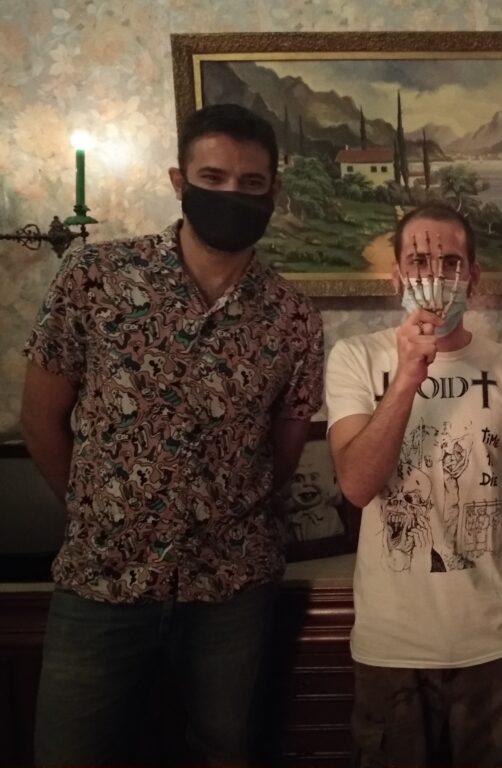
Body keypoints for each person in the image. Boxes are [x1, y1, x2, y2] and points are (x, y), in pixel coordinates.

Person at [20, 103, 324, 763]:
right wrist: (96, 512)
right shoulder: (95, 276)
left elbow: (284, 450)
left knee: (225, 752)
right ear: (179, 181)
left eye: (251, 183)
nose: (232, 194)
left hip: (231, 590)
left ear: (272, 191)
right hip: (101, 581)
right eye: (213, 177)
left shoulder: (294, 316)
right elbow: (39, 418)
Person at [325, 203, 502, 767]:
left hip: (496, 636)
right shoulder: (355, 358)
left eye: (451, 262)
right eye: (419, 261)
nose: (435, 276)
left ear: (473, 276)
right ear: (396, 275)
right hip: (393, 642)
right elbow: (357, 486)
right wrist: (408, 374)